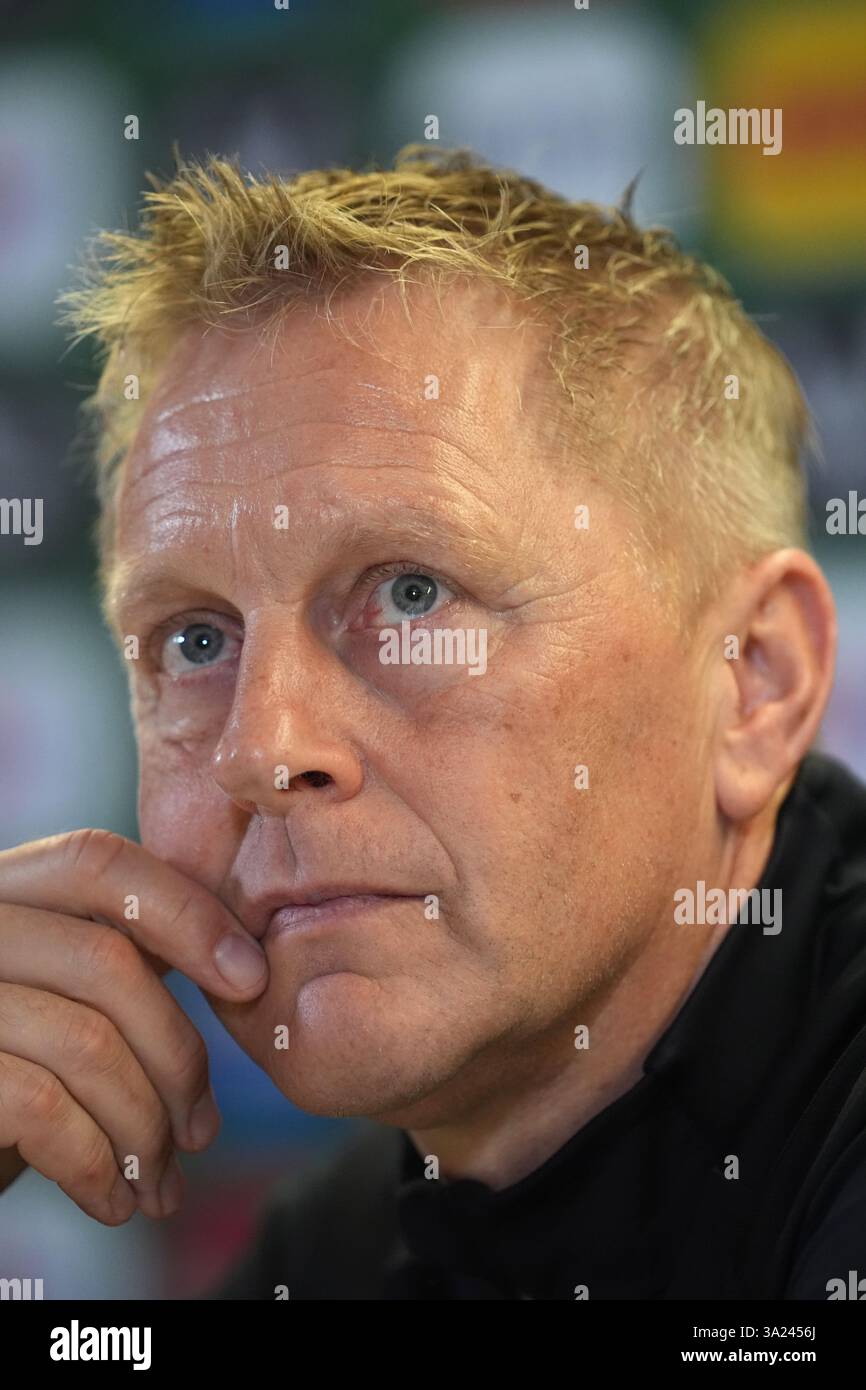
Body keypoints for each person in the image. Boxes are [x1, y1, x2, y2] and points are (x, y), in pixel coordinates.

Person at [1, 146, 862, 1299]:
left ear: (752, 678)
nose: (262, 748)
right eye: (196, 641)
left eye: (410, 594)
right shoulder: (337, 1248)